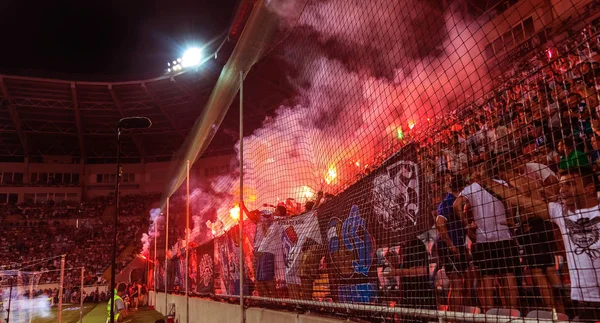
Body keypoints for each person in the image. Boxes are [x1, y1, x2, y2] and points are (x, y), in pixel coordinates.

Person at [484, 166, 600, 320]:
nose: (562, 190)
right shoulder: (561, 212)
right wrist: (486, 182)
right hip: (584, 298)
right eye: (561, 185)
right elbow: (519, 199)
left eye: (570, 184)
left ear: (590, 188)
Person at [435, 174, 469, 311]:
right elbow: (440, 224)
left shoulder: (458, 202)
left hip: (458, 245)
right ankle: (453, 317)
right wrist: (451, 246)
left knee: (464, 280)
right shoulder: (448, 202)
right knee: (456, 284)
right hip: (450, 247)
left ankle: (458, 313)